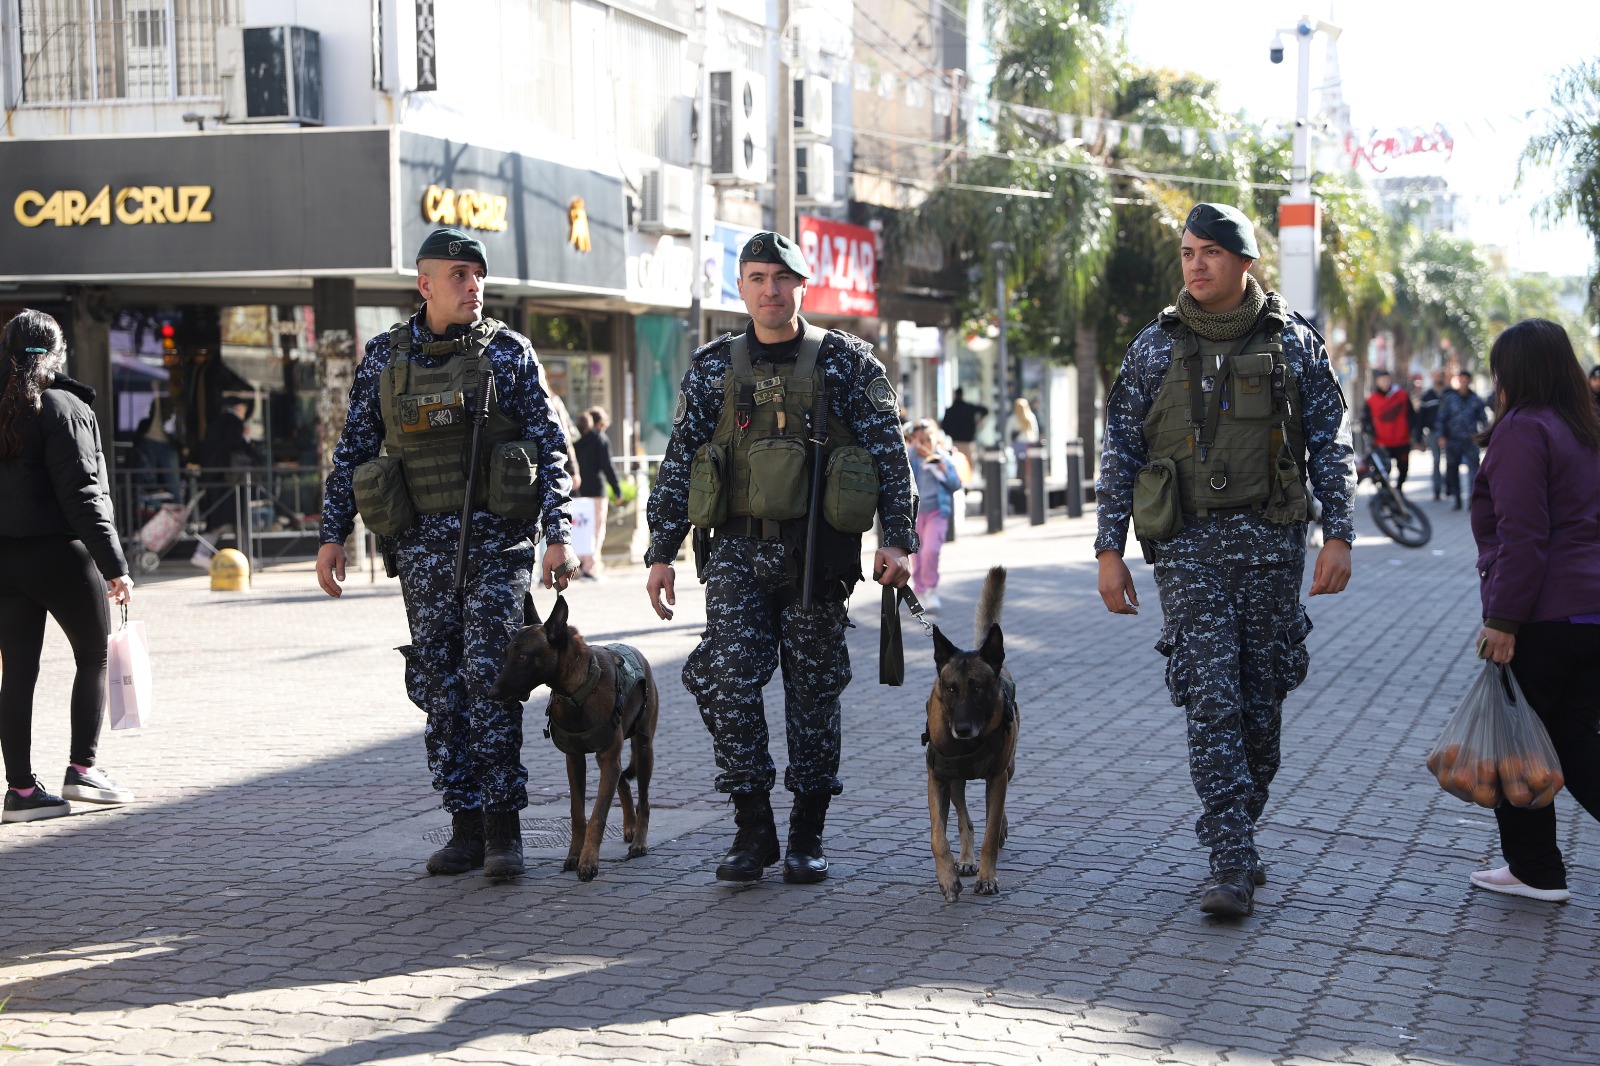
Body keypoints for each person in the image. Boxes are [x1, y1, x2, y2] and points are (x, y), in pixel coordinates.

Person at [1094, 203, 1355, 918]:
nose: (1196, 264)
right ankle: (1231, 860)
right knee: (1212, 697)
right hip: (1186, 547)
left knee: (1261, 702)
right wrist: (1107, 549)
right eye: (1187, 252)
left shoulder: (1295, 343)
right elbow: (1120, 452)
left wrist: (1340, 533)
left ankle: (1240, 826)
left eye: (1210, 251)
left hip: (1272, 546)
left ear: (1247, 262)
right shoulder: (1154, 347)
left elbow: (1330, 444)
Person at [645, 230, 917, 885]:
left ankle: (806, 833)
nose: (771, 290)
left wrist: (898, 538)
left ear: (802, 285)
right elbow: (682, 461)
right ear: (741, 286)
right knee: (728, 681)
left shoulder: (847, 362)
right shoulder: (713, 366)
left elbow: (888, 454)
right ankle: (752, 825)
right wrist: (660, 550)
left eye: (782, 278)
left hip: (815, 554)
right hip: (736, 550)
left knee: (813, 696)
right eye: (758, 277)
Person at [315, 228, 578, 881]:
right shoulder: (384, 357)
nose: (472, 285)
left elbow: (551, 449)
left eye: (477, 275)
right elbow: (352, 451)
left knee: (493, 677)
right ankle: (463, 826)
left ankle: (503, 832)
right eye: (457, 274)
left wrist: (559, 533)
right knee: (439, 683)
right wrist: (330, 535)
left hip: (497, 545)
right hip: (423, 549)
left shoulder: (509, 354)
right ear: (424, 284)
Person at [1468, 318, 1600, 903]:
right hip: (1590, 612)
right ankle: (1534, 867)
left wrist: (1502, 621)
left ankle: (1534, 868)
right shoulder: (1586, 428)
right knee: (1574, 737)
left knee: (1516, 743)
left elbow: (1524, 537)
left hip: (1543, 615)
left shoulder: (1523, 430)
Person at [0, 310, 137, 822]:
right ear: (59, 352)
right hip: (60, 555)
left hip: (5, 561)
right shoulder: (65, 407)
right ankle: (82, 770)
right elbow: (84, 496)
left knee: (17, 673)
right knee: (93, 657)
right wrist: (114, 565)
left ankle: (20, 791)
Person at [906, 419, 962, 612]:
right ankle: (919, 591)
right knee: (917, 555)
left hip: (937, 512)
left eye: (928, 438)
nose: (925, 443)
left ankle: (930, 589)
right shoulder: (912, 458)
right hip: (916, 514)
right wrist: (912, 449)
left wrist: (943, 470)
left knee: (931, 550)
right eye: (920, 439)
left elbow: (956, 484)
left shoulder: (943, 458)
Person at [573, 405, 622, 580]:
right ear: (600, 423)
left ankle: (578, 565)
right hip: (596, 491)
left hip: (577, 492)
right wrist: (617, 490)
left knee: (579, 530)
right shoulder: (600, 439)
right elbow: (608, 467)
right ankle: (591, 567)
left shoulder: (576, 441)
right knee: (596, 530)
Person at [1438, 371, 1489, 510]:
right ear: (1458, 380)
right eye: (1462, 379)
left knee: (1474, 470)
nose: (1464, 382)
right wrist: (1441, 436)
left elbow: (1483, 420)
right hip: (1453, 440)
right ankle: (1457, 499)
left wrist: (1485, 438)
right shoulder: (1450, 398)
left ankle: (1473, 499)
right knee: (1452, 469)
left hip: (1470, 440)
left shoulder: (1476, 399)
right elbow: (1441, 418)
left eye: (1467, 379)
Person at [1361, 369, 1415, 491]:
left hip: (1402, 441)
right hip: (1382, 443)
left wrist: (1410, 430)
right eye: (1382, 380)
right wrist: (1371, 434)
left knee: (1404, 468)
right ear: (1377, 382)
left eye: (1387, 379)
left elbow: (1412, 415)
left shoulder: (1402, 396)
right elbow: (1365, 420)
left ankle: (1399, 490)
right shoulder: (1371, 400)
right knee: (1383, 472)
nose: (1385, 382)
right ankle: (1386, 494)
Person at [1417, 369, 1450, 500]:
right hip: (1433, 432)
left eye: (1440, 375)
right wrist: (1418, 438)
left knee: (1450, 461)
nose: (1438, 378)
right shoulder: (1427, 396)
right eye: (1436, 376)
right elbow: (1421, 418)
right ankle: (1437, 489)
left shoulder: (1449, 393)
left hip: (1449, 433)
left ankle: (1449, 486)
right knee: (1436, 460)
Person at [940, 387, 989, 464]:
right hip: (964, 442)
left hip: (959, 442)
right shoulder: (968, 408)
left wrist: (977, 422)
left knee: (958, 467)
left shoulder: (951, 410)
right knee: (966, 467)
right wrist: (977, 422)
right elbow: (985, 410)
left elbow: (944, 426)